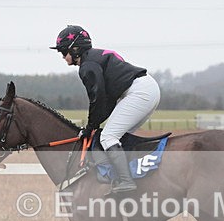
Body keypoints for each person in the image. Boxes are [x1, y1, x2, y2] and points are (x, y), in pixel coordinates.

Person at [50, 25, 160, 193]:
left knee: (109, 136)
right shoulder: (95, 57)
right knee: (116, 136)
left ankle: (126, 181)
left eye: (64, 52)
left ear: (76, 49)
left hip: (138, 92)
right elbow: (106, 101)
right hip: (145, 89)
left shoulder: (87, 66)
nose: (63, 57)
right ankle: (129, 175)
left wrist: (90, 126)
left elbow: (98, 99)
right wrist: (93, 125)